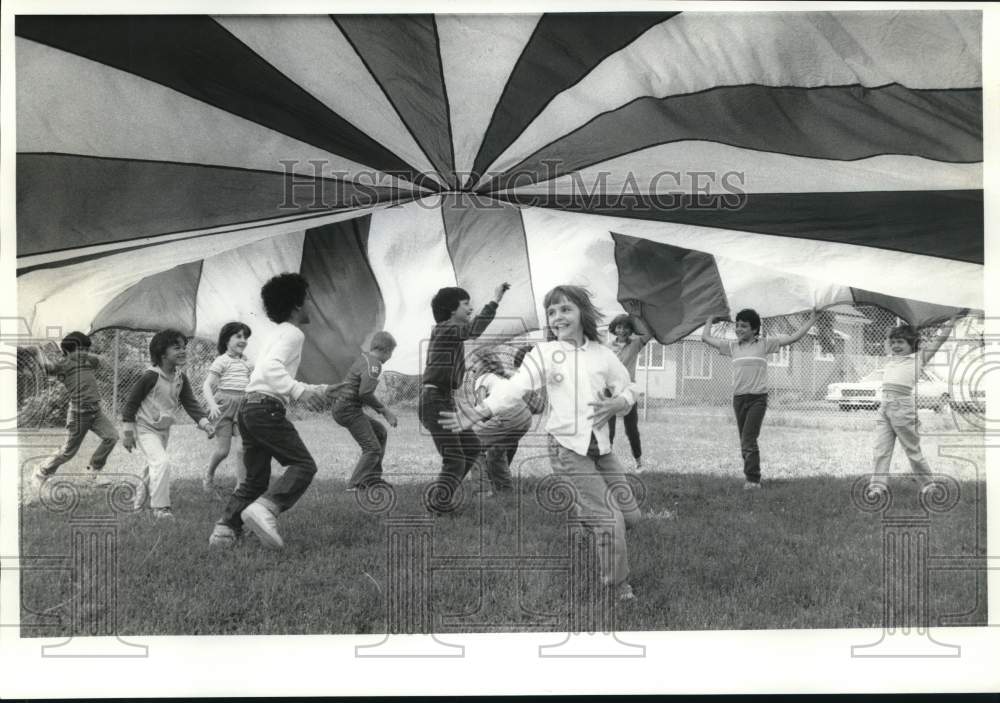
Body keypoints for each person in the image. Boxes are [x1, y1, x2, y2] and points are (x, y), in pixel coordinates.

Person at [440, 285, 641, 602]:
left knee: (630, 517)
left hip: (600, 449)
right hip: (566, 448)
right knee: (609, 517)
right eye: (552, 311)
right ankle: (617, 585)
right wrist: (479, 412)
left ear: (582, 312)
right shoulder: (545, 354)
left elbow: (629, 388)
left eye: (565, 309)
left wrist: (621, 403)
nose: (557, 316)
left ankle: (585, 513)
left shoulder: (603, 355)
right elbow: (514, 388)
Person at [208, 273, 342, 549]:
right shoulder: (294, 333)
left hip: (249, 407)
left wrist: (319, 388)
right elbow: (271, 370)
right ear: (296, 304)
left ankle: (224, 530)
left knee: (255, 479)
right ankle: (266, 509)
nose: (310, 305)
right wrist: (299, 392)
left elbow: (268, 372)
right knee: (304, 465)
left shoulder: (276, 334)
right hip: (266, 408)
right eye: (307, 300)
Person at [701, 308, 817, 490]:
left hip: (757, 400)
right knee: (744, 441)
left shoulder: (764, 344)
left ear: (754, 330)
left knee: (748, 439)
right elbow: (706, 338)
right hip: (739, 399)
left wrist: (812, 319)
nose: (739, 329)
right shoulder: (732, 347)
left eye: (744, 326)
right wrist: (710, 318)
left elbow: (794, 337)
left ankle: (753, 480)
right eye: (737, 325)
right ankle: (749, 475)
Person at [419, 282, 509, 513]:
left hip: (444, 399)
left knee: (471, 447)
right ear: (451, 309)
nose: (470, 308)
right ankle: (439, 504)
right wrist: (495, 300)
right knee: (455, 458)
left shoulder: (450, 333)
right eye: (466, 303)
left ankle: (442, 498)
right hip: (434, 401)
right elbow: (474, 330)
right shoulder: (445, 329)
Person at [121, 329, 215, 519]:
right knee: (161, 462)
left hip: (162, 430)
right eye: (176, 348)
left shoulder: (181, 377)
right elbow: (130, 405)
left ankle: (137, 503)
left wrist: (204, 423)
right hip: (144, 428)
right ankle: (160, 508)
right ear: (162, 353)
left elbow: (190, 403)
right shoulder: (150, 376)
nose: (182, 351)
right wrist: (128, 433)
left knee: (153, 466)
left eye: (184, 347)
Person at [868, 313, 963, 494]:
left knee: (912, 450)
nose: (895, 346)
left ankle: (928, 485)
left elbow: (939, 340)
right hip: (884, 407)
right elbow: (891, 340)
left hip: (902, 408)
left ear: (911, 345)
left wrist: (951, 322)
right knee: (880, 450)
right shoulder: (891, 359)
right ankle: (877, 487)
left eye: (900, 342)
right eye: (893, 342)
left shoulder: (919, 359)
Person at [28, 332, 119, 497]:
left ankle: (92, 473)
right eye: (80, 349)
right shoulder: (63, 365)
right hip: (78, 415)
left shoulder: (88, 361)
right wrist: (37, 351)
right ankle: (41, 472)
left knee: (111, 436)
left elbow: (101, 360)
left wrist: (83, 349)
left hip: (95, 412)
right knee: (68, 452)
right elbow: (48, 368)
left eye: (86, 349)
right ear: (68, 351)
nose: (84, 352)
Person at [334, 331, 399, 492]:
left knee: (380, 432)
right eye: (391, 353)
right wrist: (385, 411)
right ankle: (355, 484)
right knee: (372, 448)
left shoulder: (364, 358)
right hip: (348, 409)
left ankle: (373, 479)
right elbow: (364, 393)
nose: (390, 357)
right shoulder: (374, 364)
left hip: (345, 407)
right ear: (386, 350)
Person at [467, 349, 532, 496]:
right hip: (525, 416)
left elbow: (482, 408)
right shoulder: (500, 377)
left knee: (471, 445)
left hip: (509, 416)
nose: (470, 366)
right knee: (496, 452)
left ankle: (482, 491)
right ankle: (505, 491)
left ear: (485, 364)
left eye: (474, 362)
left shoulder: (483, 378)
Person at [202, 322, 253, 495]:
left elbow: (254, 383)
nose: (243, 340)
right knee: (223, 450)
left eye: (245, 337)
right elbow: (207, 385)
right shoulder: (221, 361)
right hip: (224, 406)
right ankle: (208, 475)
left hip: (243, 407)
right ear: (226, 340)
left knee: (242, 448)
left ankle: (241, 486)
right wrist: (212, 404)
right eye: (238, 336)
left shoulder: (248, 363)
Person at [607, 313, 653, 470]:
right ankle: (607, 463)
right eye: (619, 327)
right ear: (614, 328)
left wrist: (639, 315)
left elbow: (650, 332)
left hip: (628, 392)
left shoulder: (635, 344)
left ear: (631, 330)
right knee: (609, 430)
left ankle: (638, 462)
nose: (622, 330)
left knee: (631, 429)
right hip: (610, 392)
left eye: (626, 327)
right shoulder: (607, 347)